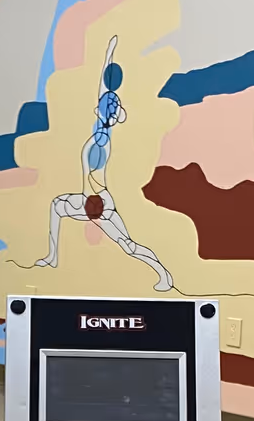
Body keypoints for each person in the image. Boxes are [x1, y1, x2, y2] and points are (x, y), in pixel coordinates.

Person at [25, 36, 174, 292]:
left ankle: (164, 275)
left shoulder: (101, 140)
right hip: (89, 200)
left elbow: (104, 105)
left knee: (128, 245)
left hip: (97, 203)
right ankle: (52, 257)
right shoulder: (101, 132)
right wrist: (108, 56)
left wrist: (109, 57)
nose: (97, 108)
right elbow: (102, 92)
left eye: (101, 108)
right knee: (57, 206)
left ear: (103, 113)